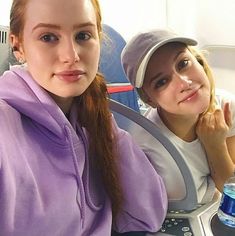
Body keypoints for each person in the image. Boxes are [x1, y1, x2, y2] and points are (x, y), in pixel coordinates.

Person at [0, 0, 168, 235]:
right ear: (18, 47)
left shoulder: (91, 120)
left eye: (83, 35)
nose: (71, 55)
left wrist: (106, 128)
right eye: (48, 37)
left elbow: (147, 215)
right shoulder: (5, 126)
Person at [121, 29, 235, 204]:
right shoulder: (148, 149)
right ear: (149, 99)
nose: (184, 83)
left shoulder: (226, 105)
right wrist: (215, 147)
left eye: (183, 63)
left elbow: (230, 190)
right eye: (162, 82)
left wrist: (216, 145)